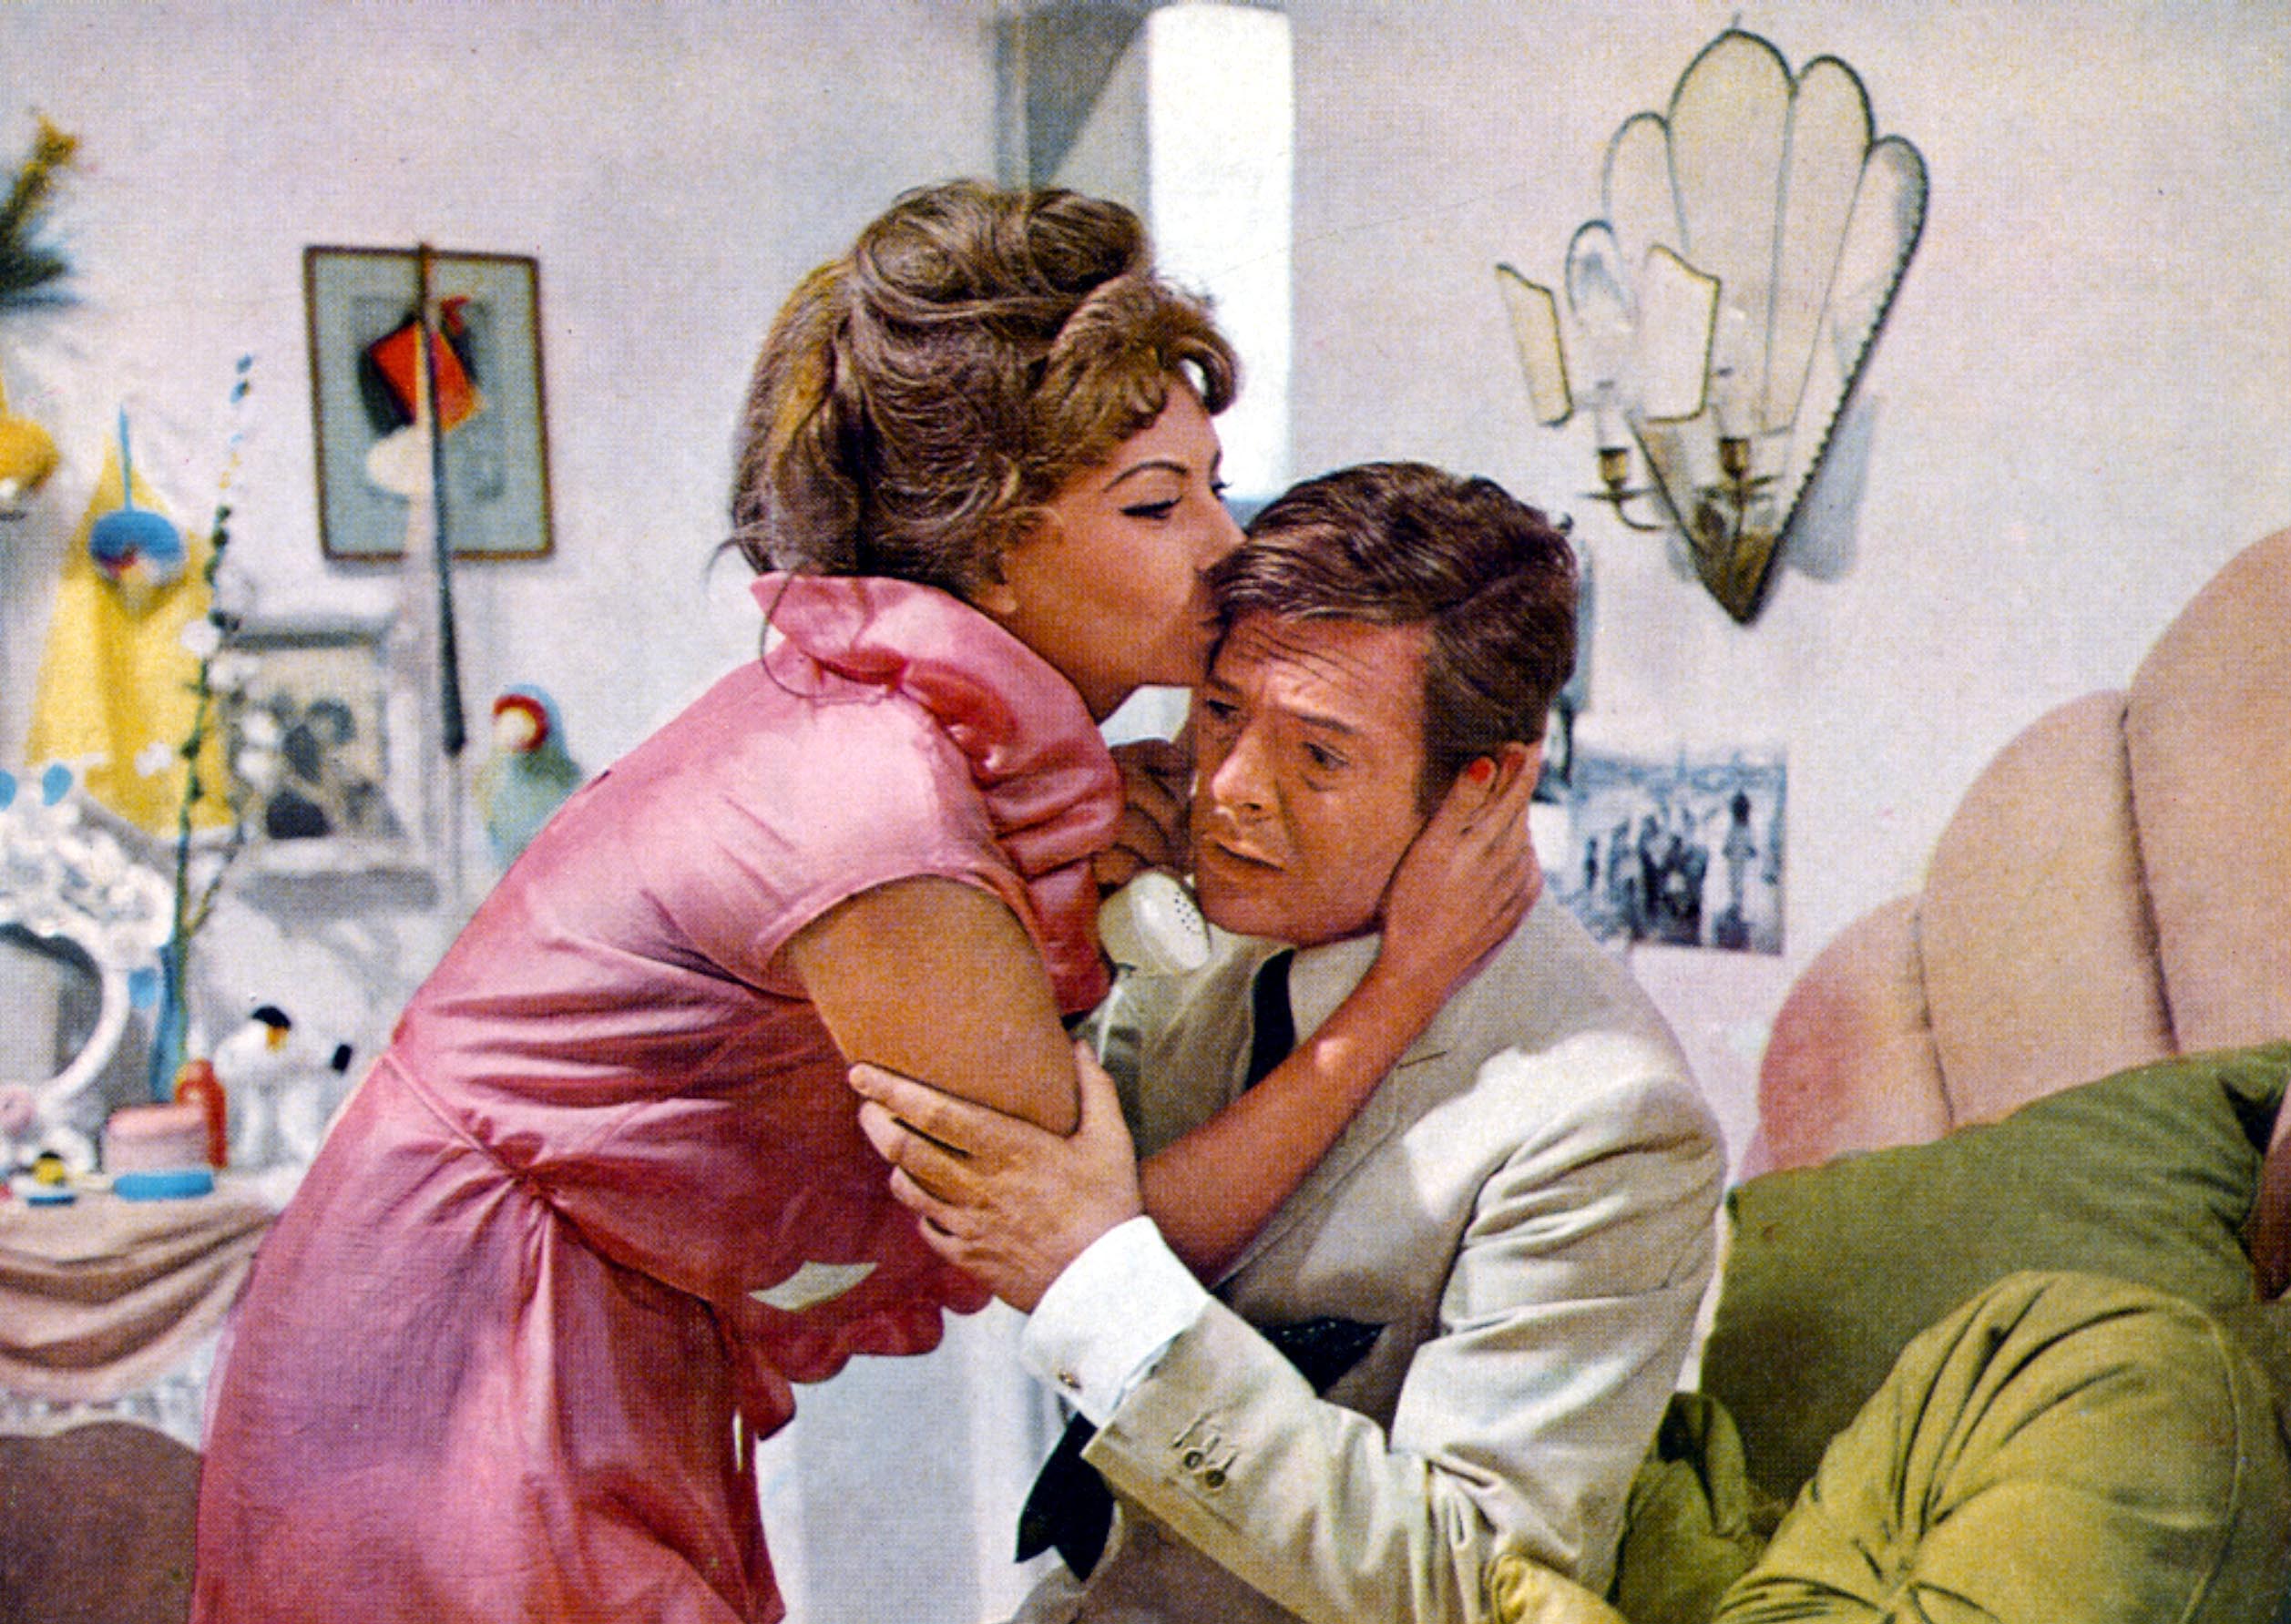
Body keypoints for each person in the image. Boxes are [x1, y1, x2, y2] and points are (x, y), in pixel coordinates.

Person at [189, 186, 1530, 1624]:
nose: (1223, 544)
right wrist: (1400, 985)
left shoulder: (891, 725)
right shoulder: (876, 801)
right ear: (988, 547)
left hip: (516, 1315)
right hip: (454, 1363)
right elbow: (1091, 1239)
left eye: (1213, 482)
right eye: (1157, 503)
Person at [854, 463, 1727, 1624]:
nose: (1230, 791)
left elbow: (1476, 1585)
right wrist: (1054, 932)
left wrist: (1104, 1288)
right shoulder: (1201, 925)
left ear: (1488, 788)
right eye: (1221, 713)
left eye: (1319, 754)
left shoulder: (1606, 1115)